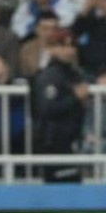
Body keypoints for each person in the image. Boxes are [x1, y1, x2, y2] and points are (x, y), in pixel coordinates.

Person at [31, 29, 87, 183]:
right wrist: (75, 97)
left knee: (73, 184)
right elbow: (46, 108)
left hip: (70, 138)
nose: (69, 50)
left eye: (72, 46)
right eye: (62, 45)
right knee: (59, 187)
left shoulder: (74, 73)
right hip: (53, 140)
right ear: (51, 49)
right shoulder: (49, 76)